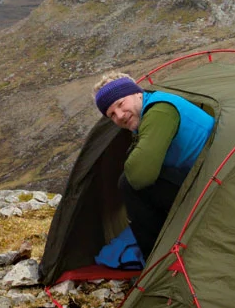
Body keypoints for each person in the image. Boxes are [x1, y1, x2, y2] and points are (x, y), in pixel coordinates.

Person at [92, 70, 218, 263]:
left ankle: (157, 261)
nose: (120, 116)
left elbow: (140, 176)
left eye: (120, 104)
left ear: (137, 93)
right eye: (112, 115)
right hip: (206, 179)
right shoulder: (150, 110)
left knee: (130, 184)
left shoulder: (160, 111)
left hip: (214, 187)